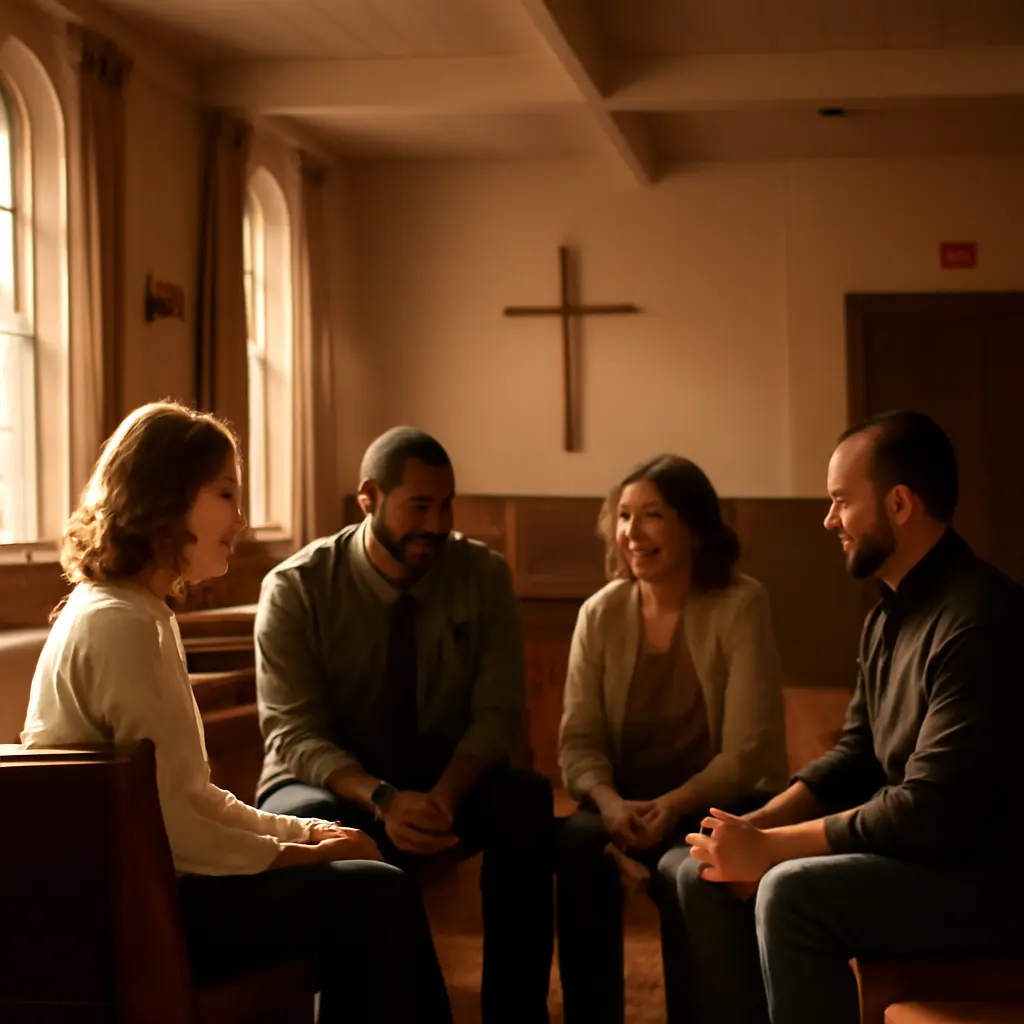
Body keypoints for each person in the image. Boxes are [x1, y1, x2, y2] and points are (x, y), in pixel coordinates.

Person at [21, 402, 452, 1024]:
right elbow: (172, 831)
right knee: (376, 894)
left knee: (365, 881)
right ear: (169, 495)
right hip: (130, 912)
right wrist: (311, 854)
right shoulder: (119, 623)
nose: (241, 518)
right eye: (225, 493)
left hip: (152, 888)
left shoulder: (141, 612)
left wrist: (304, 833)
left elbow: (191, 796)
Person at [681, 410, 1024, 1024]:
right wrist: (748, 829)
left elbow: (931, 809)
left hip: (992, 874)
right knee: (694, 870)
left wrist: (772, 850)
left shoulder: (981, 617)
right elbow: (856, 756)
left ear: (898, 504)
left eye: (841, 501)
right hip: (931, 857)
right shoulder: (886, 614)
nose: (829, 520)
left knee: (790, 892)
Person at [254, 425, 555, 1024]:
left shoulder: (482, 575)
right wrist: (383, 798)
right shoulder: (296, 587)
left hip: (443, 779)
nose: (438, 524)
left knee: (527, 800)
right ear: (369, 497)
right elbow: (292, 732)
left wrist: (444, 795)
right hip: (330, 780)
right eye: (420, 506)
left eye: (446, 505)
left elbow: (498, 712)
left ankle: (516, 1013)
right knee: (318, 826)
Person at [555, 454, 788, 1024]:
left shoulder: (741, 603)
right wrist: (610, 806)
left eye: (652, 516)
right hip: (624, 803)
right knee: (573, 844)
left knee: (688, 867)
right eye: (625, 516)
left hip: (713, 801)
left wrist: (673, 806)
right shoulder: (599, 614)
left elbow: (748, 750)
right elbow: (577, 743)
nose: (633, 533)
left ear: (694, 526)